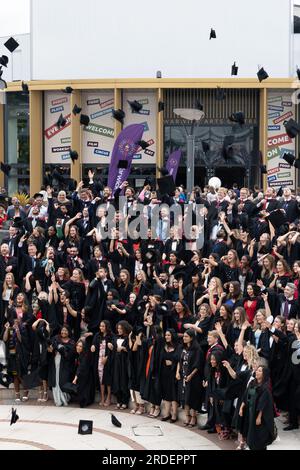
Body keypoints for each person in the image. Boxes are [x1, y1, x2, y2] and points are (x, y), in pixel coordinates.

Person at [239, 366, 276, 450]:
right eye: (257, 370)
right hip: (250, 412)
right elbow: (246, 396)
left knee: (258, 438)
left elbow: (263, 404)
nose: (257, 372)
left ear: (264, 374)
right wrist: (241, 408)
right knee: (250, 434)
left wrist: (259, 417)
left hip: (258, 415)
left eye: (260, 371)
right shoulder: (252, 383)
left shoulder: (265, 388)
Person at [176, 329, 204, 427]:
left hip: (193, 378)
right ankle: (187, 416)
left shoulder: (197, 349)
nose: (184, 338)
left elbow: (198, 365)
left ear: (191, 338)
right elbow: (180, 361)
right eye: (183, 336)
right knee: (184, 398)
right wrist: (178, 372)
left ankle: (193, 417)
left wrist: (190, 376)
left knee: (192, 398)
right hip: (183, 377)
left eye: (186, 336)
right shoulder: (183, 348)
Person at [48, 326, 76, 407]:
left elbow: (71, 355)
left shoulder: (71, 342)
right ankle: (58, 400)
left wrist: (61, 349)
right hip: (56, 362)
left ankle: (65, 399)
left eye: (66, 330)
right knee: (56, 380)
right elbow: (50, 347)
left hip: (66, 365)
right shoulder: (56, 339)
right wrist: (51, 349)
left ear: (69, 332)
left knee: (63, 380)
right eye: (62, 330)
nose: (64, 332)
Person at [91, 320, 114, 407]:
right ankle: (102, 398)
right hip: (99, 360)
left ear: (107, 327)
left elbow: (113, 347)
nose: (101, 328)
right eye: (100, 326)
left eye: (103, 326)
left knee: (107, 379)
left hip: (107, 359)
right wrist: (93, 347)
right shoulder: (97, 335)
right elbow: (94, 345)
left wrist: (107, 358)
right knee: (101, 380)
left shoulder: (111, 336)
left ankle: (108, 397)